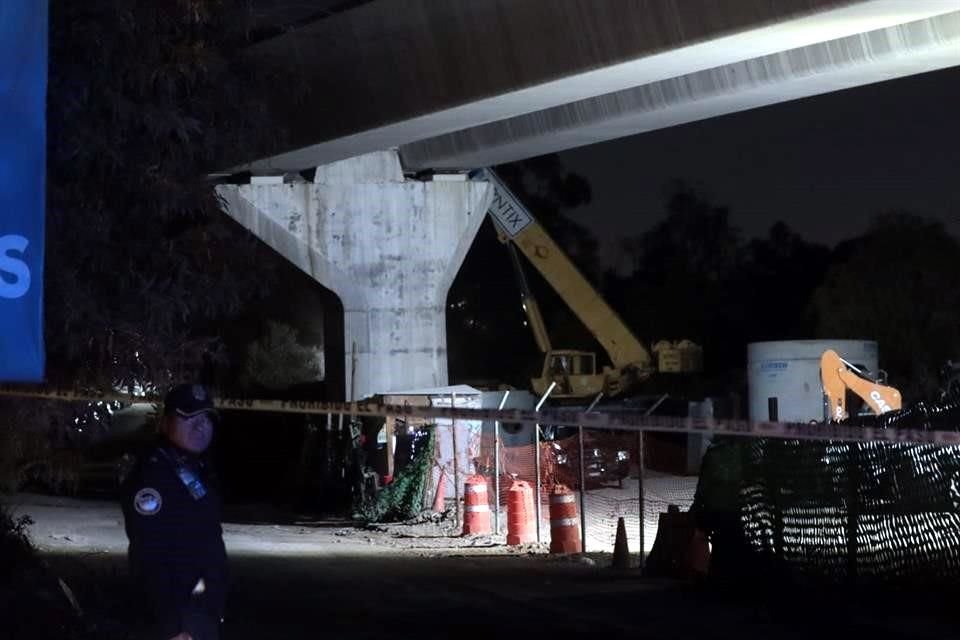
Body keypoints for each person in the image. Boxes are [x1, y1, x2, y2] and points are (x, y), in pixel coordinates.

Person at [121, 383, 228, 640]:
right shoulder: (154, 474)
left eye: (205, 418)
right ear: (166, 423)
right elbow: (149, 556)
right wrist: (172, 625)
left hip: (199, 612)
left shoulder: (195, 466)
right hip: (177, 619)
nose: (200, 426)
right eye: (189, 418)